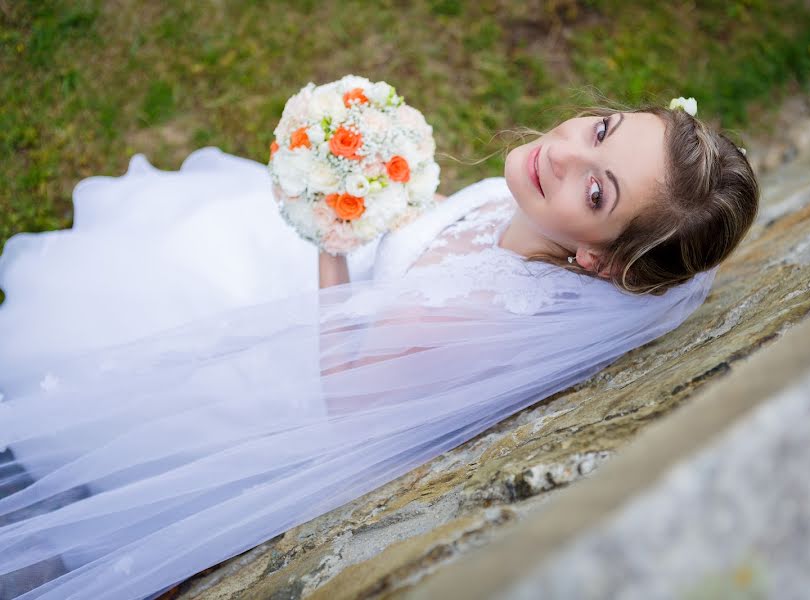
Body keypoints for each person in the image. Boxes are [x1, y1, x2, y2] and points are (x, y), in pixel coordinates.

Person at [0, 99, 757, 599]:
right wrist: (386, 195)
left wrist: (331, 240)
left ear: (597, 259)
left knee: (151, 289)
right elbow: (448, 235)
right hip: (359, 307)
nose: (562, 155)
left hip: (298, 390)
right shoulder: (533, 204)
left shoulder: (470, 315)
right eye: (601, 130)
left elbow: (345, 397)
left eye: (598, 193)